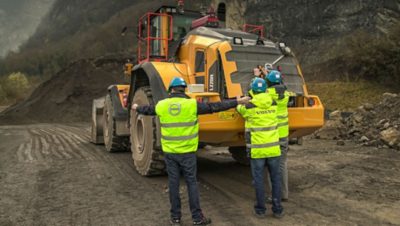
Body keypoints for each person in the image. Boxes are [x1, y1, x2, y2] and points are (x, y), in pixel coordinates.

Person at [132, 77, 250, 226]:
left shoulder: (162, 105)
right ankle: (196, 218)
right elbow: (216, 106)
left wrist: (136, 107)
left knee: (173, 184)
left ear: (171, 90)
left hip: (170, 153)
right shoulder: (192, 105)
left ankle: (175, 218)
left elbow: (147, 110)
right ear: (184, 90)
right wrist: (237, 102)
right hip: (187, 153)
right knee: (191, 183)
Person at [236, 78, 284, 218]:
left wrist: (240, 99)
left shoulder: (249, 107)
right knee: (275, 179)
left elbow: (240, 109)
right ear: (265, 89)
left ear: (253, 90)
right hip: (274, 149)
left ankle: (260, 210)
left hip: (258, 151)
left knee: (258, 181)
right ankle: (277, 209)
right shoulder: (273, 104)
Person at [265, 70, 290, 201]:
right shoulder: (286, 94)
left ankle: (275, 195)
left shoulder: (268, 94)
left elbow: (256, 93)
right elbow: (281, 85)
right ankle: (284, 194)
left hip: (272, 134)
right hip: (283, 134)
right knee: (282, 164)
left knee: (272, 165)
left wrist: (258, 78)